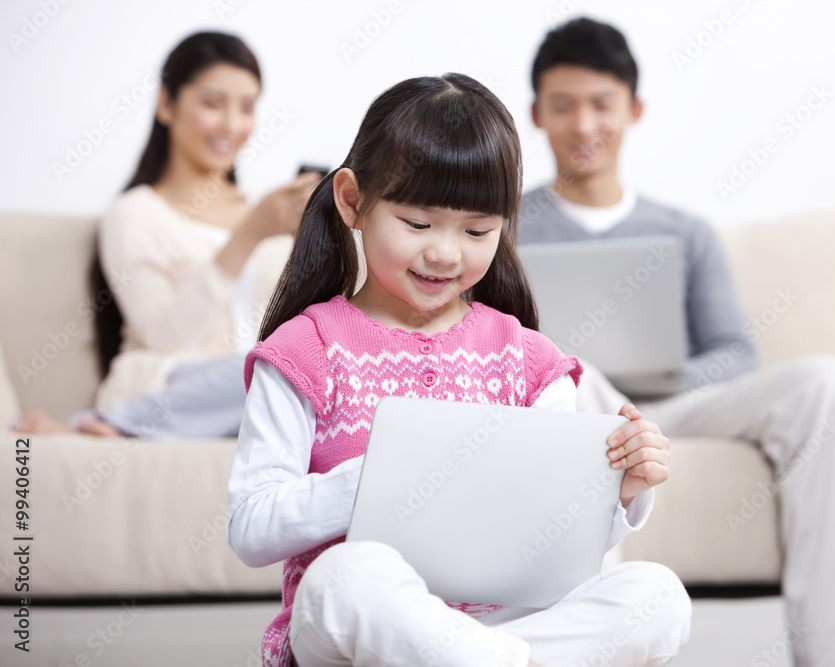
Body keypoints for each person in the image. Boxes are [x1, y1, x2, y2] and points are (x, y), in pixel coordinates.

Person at [226, 73, 691, 667]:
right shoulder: (305, 349)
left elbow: (563, 546)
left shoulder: (527, 360)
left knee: (656, 596)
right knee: (343, 576)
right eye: (417, 223)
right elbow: (251, 528)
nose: (446, 252)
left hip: (505, 618)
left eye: (477, 231)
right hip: (365, 625)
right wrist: (379, 478)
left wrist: (618, 490)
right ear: (351, 200)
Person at [519, 17, 835, 667]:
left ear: (633, 110)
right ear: (536, 115)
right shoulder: (502, 228)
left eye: (601, 104)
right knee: (579, 381)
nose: (583, 125)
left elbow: (735, 355)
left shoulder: (685, 231)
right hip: (577, 403)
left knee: (830, 381)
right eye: (563, 106)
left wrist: (662, 373)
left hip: (676, 404)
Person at [15, 31, 319, 438]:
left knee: (306, 366)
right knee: (266, 369)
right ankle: (115, 426)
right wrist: (248, 235)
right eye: (213, 104)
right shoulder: (136, 213)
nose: (232, 124)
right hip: (171, 387)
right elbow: (165, 335)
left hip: (249, 403)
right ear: (165, 104)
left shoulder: (274, 215)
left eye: (247, 107)